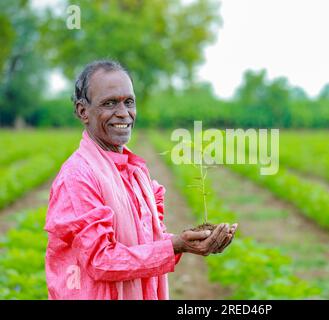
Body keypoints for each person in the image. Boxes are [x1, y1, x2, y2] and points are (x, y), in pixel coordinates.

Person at [44, 60, 238, 300]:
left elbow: (143, 244)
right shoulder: (78, 177)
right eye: (110, 103)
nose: (124, 113)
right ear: (83, 111)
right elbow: (101, 260)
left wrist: (187, 241)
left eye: (129, 102)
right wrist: (176, 245)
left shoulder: (134, 170)